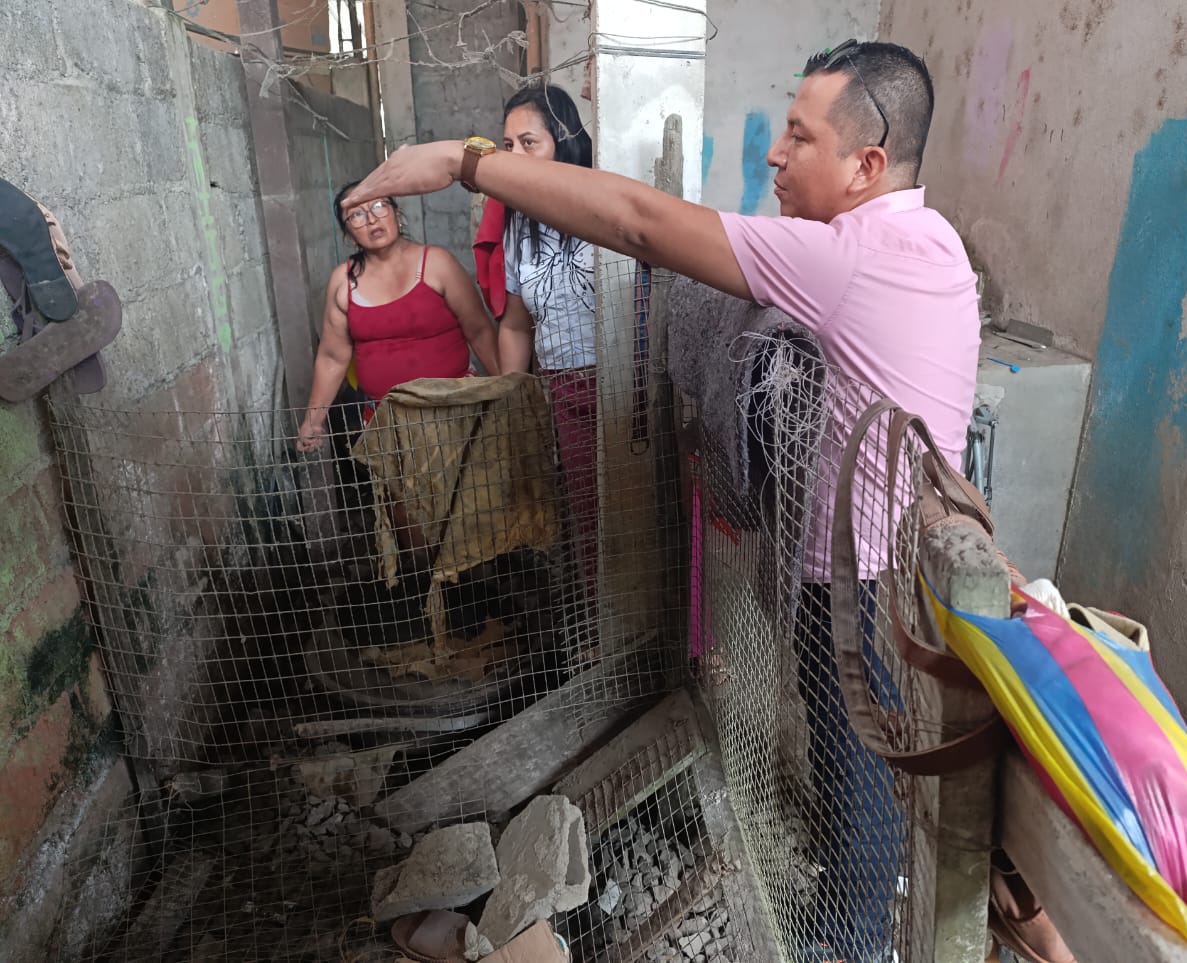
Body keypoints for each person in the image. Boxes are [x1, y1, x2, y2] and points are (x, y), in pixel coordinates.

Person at [343, 40, 980, 960]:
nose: (776, 153)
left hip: (862, 572)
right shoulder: (924, 239)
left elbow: (640, 222)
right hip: (872, 558)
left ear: (866, 164)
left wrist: (461, 161)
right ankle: (858, 897)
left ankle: (855, 931)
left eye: (800, 137)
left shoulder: (852, 257)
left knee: (854, 744)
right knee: (850, 735)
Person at [297, 183, 500, 453]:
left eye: (379, 206)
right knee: (400, 482)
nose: (371, 219)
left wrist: (510, 389)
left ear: (397, 213)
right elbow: (332, 358)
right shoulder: (343, 282)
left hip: (456, 413)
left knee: (468, 479)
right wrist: (313, 421)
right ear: (349, 236)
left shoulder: (438, 263)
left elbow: (479, 331)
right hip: (387, 424)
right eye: (356, 215)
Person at [495, 83, 600, 598]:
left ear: (564, 141)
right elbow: (516, 325)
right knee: (587, 517)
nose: (514, 156)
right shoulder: (519, 224)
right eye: (507, 145)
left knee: (642, 508)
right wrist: (509, 399)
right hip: (563, 390)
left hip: (626, 390)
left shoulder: (605, 201)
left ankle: (655, 628)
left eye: (528, 142)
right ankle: (602, 621)